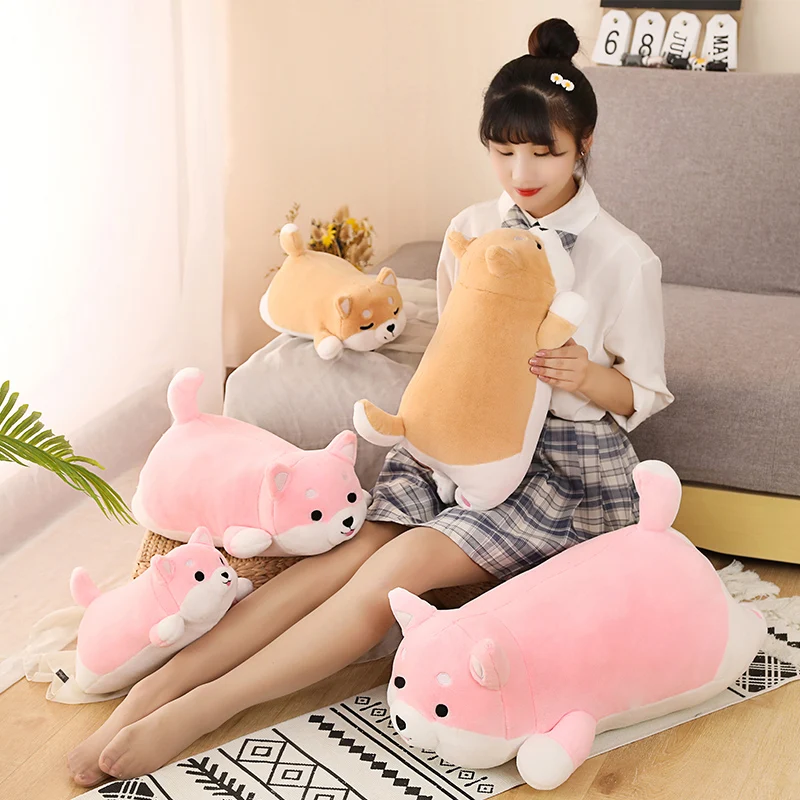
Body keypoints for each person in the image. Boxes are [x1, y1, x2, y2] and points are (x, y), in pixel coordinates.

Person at [68, 17, 672, 785]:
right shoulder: (470, 229)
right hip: (458, 440)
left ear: (584, 143)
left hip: (560, 470)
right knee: (353, 552)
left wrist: (583, 374)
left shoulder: (625, 258)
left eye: (544, 152)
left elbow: (643, 392)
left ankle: (201, 710)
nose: (521, 171)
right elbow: (455, 352)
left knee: (397, 567)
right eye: (502, 150)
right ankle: (159, 687)